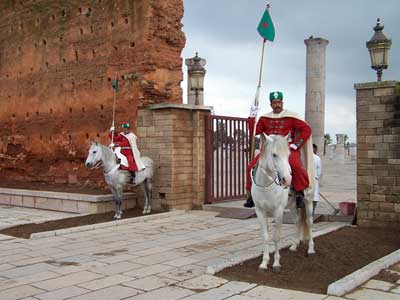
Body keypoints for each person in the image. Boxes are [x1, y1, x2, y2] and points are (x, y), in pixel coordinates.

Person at [244, 91, 313, 208]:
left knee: (295, 166)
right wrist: (252, 116)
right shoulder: (264, 118)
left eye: (279, 102)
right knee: (251, 167)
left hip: (286, 148)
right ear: (271, 104)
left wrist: (296, 145)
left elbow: (307, 129)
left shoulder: (291, 117)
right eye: (274, 103)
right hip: (269, 148)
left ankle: (299, 193)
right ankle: (251, 195)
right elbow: (254, 131)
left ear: (282, 102)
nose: (277, 105)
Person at [313, 143, 322, 215]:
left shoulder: (303, 156)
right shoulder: (317, 158)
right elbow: (319, 172)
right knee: (314, 199)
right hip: (314, 180)